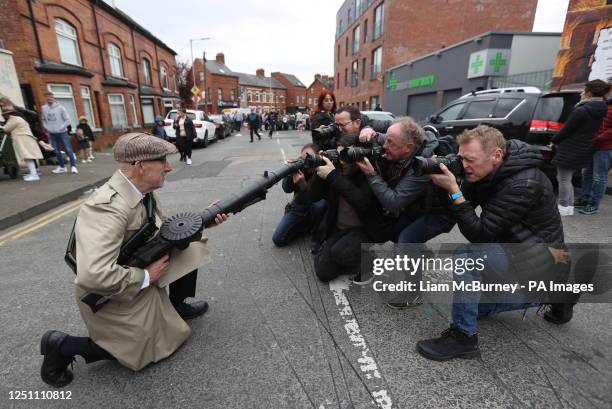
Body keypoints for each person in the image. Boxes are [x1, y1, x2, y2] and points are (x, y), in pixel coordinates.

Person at [39, 132, 229, 387]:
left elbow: (164, 234)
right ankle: (60, 345)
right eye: (163, 161)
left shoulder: (141, 191)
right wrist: (147, 276)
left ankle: (177, 304)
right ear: (140, 166)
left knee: (189, 247)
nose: (170, 167)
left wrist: (201, 222)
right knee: (146, 349)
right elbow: (94, 274)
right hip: (109, 294)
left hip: (131, 273)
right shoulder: (107, 208)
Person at [416, 125, 567, 361]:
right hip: (514, 253)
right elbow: (453, 212)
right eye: (460, 158)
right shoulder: (486, 171)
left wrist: (455, 190)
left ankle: (463, 339)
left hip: (535, 265)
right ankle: (556, 297)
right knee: (475, 307)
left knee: (467, 257)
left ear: (496, 155)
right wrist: (441, 185)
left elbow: (479, 234)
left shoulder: (524, 183)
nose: (464, 165)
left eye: (469, 159)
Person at [310, 134, 394, 283]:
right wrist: (318, 167)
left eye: (346, 156)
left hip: (364, 230)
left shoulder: (369, 174)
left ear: (357, 154)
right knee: (323, 273)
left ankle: (369, 260)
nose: (341, 162)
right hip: (340, 229)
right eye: (338, 155)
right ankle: (343, 255)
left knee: (341, 253)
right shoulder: (335, 171)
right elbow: (312, 196)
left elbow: (363, 203)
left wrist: (334, 176)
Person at [357, 117, 455, 244]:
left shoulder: (424, 165)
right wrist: (368, 130)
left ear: (408, 147)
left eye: (390, 142)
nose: (384, 146)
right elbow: (381, 134)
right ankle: (419, 255)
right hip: (418, 205)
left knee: (406, 239)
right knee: (391, 232)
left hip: (438, 212)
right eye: (385, 140)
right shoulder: (403, 141)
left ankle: (416, 260)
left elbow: (393, 202)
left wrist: (371, 174)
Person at [551, 79, 608, 216]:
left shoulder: (581, 111)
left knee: (563, 179)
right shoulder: (602, 108)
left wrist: (554, 139)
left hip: (570, 147)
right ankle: (568, 207)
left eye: (583, 90)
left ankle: (564, 207)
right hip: (583, 147)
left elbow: (566, 130)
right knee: (567, 178)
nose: (581, 93)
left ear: (588, 93)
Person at [272, 143, 327, 247]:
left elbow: (318, 199)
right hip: (299, 206)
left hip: (316, 207)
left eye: (309, 159)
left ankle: (315, 226)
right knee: (278, 239)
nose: (306, 163)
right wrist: (289, 172)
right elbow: (287, 189)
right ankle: (306, 226)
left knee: (320, 205)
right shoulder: (299, 167)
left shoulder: (324, 170)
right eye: (303, 158)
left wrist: (304, 186)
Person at [576, 82, 612, 215]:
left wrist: (598, 138)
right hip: (593, 145)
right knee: (587, 173)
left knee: (599, 177)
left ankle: (593, 204)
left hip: (605, 147)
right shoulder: (602, 105)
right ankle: (584, 199)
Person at [0, 98, 44, 181]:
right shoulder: (18, 118)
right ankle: (33, 173)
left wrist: (1, 126)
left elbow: (6, 129)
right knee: (28, 157)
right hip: (24, 139)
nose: (5, 115)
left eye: (6, 114)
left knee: (28, 157)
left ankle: (34, 175)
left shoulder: (14, 119)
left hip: (23, 139)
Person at [41, 91, 78, 174]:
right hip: (52, 133)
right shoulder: (44, 108)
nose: (49, 98)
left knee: (68, 149)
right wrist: (47, 128)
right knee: (57, 151)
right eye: (47, 97)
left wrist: (60, 128)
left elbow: (68, 120)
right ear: (45, 98)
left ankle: (73, 166)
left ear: (53, 97)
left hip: (62, 132)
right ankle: (62, 167)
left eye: (50, 96)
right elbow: (43, 119)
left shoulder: (60, 107)